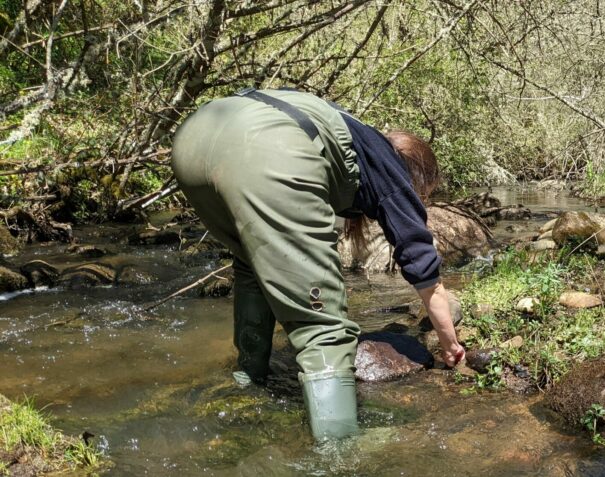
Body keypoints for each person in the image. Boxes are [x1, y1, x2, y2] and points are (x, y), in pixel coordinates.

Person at [170, 88, 465, 441]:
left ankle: (247, 383)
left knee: (252, 266)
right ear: (416, 174)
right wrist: (450, 344)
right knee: (323, 324)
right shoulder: (389, 167)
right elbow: (422, 266)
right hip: (268, 147)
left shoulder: (356, 136)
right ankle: (338, 448)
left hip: (194, 141)